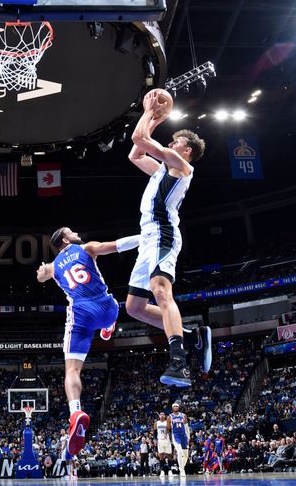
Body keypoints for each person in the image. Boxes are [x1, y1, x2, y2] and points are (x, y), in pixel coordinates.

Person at [36, 228, 211, 456]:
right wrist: (145, 239)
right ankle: (108, 326)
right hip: (106, 307)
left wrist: (42, 271)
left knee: (71, 369)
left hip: (81, 313)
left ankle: (75, 412)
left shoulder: (54, 266)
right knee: (117, 308)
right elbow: (118, 244)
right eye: (72, 231)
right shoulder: (86, 248)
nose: (78, 232)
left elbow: (41, 276)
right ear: (66, 239)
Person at [125, 88, 207, 387]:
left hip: (163, 233)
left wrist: (149, 112)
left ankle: (179, 361)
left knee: (161, 290)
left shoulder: (182, 166)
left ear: (186, 151)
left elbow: (139, 140)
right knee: (133, 308)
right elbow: (135, 153)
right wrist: (156, 119)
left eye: (177, 142)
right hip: (148, 238)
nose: (171, 143)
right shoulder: (161, 169)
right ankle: (190, 335)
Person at [169, 403, 189, 477]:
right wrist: (169, 438)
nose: (175, 407)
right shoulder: (170, 417)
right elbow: (168, 429)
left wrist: (188, 437)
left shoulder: (183, 415)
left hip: (183, 436)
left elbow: (186, 427)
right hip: (176, 436)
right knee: (179, 452)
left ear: (179, 407)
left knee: (186, 455)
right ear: (172, 408)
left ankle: (180, 467)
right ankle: (182, 470)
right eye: (174, 406)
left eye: (177, 406)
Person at [153, 412, 172, 476]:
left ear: (165, 416)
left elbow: (170, 430)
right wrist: (155, 440)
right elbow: (155, 433)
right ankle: (162, 471)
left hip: (167, 440)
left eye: (163, 414)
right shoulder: (156, 423)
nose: (162, 415)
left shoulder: (167, 422)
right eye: (161, 414)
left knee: (169, 456)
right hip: (160, 440)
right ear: (159, 416)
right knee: (161, 457)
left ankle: (170, 470)